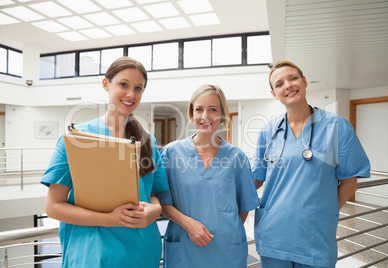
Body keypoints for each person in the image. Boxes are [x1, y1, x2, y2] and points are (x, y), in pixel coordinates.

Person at [41, 57, 169, 268]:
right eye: (123, 85)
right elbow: (54, 206)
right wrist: (109, 219)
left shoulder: (148, 141)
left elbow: (153, 195)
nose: (131, 94)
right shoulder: (77, 139)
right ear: (105, 84)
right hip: (92, 255)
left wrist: (153, 212)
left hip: (142, 253)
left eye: (138, 88)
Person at [251, 60, 370, 268]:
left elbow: (349, 183)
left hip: (315, 239)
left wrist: (320, 214)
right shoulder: (269, 131)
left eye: (293, 78)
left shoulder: (337, 127)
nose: (287, 85)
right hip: (273, 235)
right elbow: (255, 179)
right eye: (279, 84)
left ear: (304, 82)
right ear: (274, 94)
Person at [156, 85, 260, 267]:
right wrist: (188, 224)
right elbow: (163, 203)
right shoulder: (171, 153)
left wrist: (224, 230)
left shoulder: (237, 157)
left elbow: (243, 207)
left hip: (225, 250)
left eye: (213, 109)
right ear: (191, 113)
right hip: (185, 249)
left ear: (222, 115)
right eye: (199, 109)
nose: (205, 116)